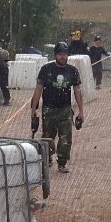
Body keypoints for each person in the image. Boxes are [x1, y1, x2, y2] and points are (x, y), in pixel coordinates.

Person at [30, 42, 84, 174]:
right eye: (60, 54)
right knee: (48, 137)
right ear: (55, 55)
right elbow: (38, 89)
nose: (62, 57)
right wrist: (33, 109)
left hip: (65, 110)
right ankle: (47, 158)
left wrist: (81, 111)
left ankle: (62, 163)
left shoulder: (72, 71)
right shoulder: (46, 69)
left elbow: (77, 90)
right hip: (49, 109)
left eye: (65, 54)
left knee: (66, 139)